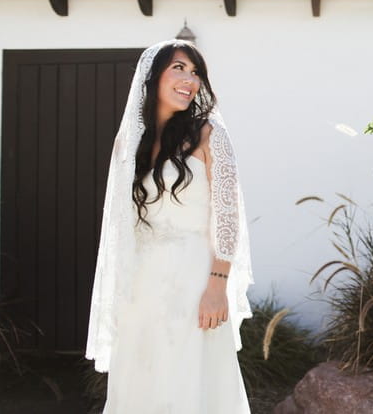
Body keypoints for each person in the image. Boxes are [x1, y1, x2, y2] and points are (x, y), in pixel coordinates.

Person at [86, 40, 254, 413]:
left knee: (190, 380)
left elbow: (228, 216)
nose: (189, 79)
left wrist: (218, 284)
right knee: (142, 378)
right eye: (178, 68)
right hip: (142, 281)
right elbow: (118, 226)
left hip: (194, 276)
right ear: (152, 77)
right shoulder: (130, 143)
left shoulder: (211, 136)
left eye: (195, 72)